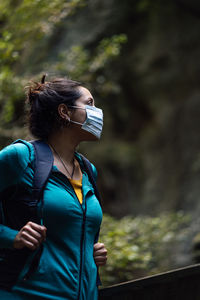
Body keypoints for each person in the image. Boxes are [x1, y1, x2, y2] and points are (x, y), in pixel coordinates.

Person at [0, 75, 107, 300]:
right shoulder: (22, 157)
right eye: (89, 104)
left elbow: (67, 231)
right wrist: (12, 236)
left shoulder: (88, 170)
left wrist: (89, 250)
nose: (98, 111)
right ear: (64, 112)